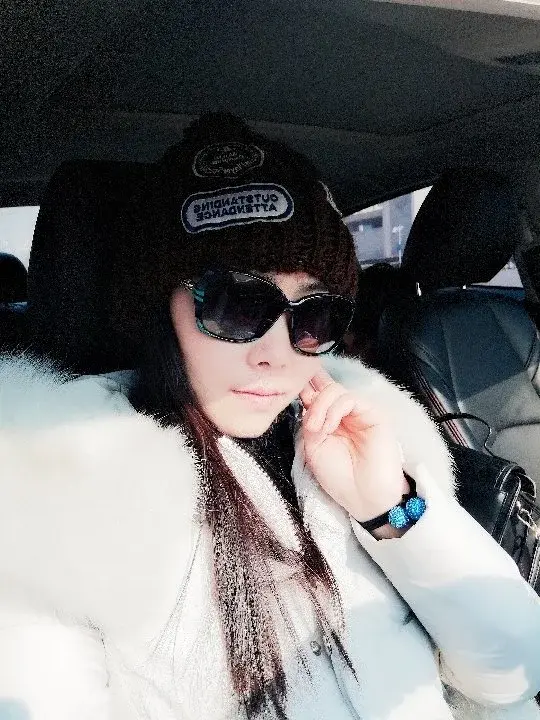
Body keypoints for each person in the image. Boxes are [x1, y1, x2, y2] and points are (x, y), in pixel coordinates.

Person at [0, 114, 539, 720]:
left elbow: (512, 674)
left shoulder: (361, 426)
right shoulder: (55, 490)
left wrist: (392, 508)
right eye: (237, 304)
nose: (276, 354)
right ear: (158, 308)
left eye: (314, 316)